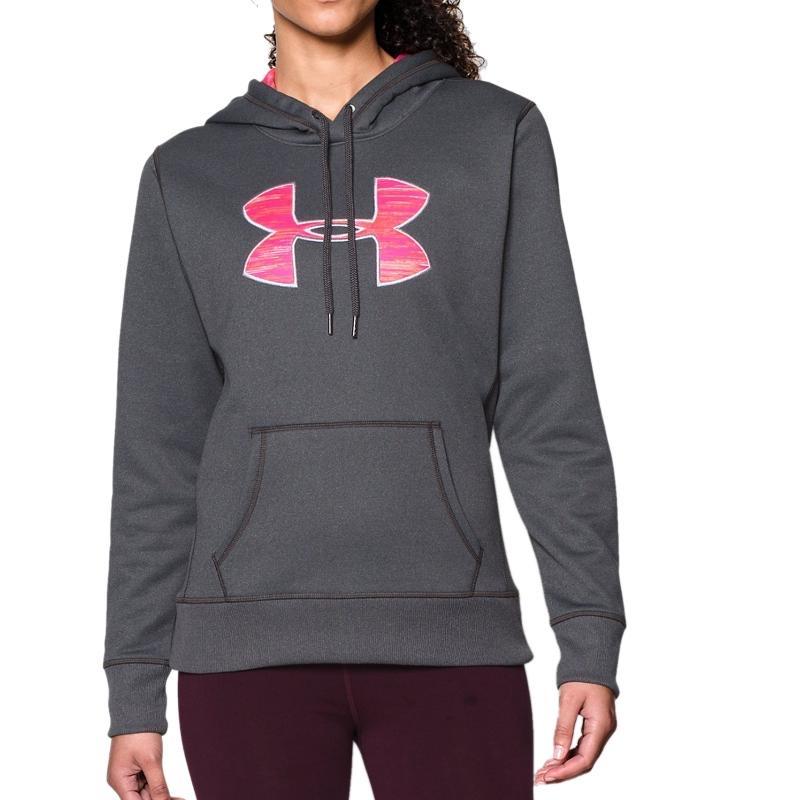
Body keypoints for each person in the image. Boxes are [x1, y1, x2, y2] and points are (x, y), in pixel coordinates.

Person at [104, 1, 625, 798]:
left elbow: (548, 403)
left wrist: (588, 636)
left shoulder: (495, 134)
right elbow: (158, 448)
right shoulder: (187, 172)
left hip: (454, 632)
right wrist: (135, 686)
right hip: (242, 648)